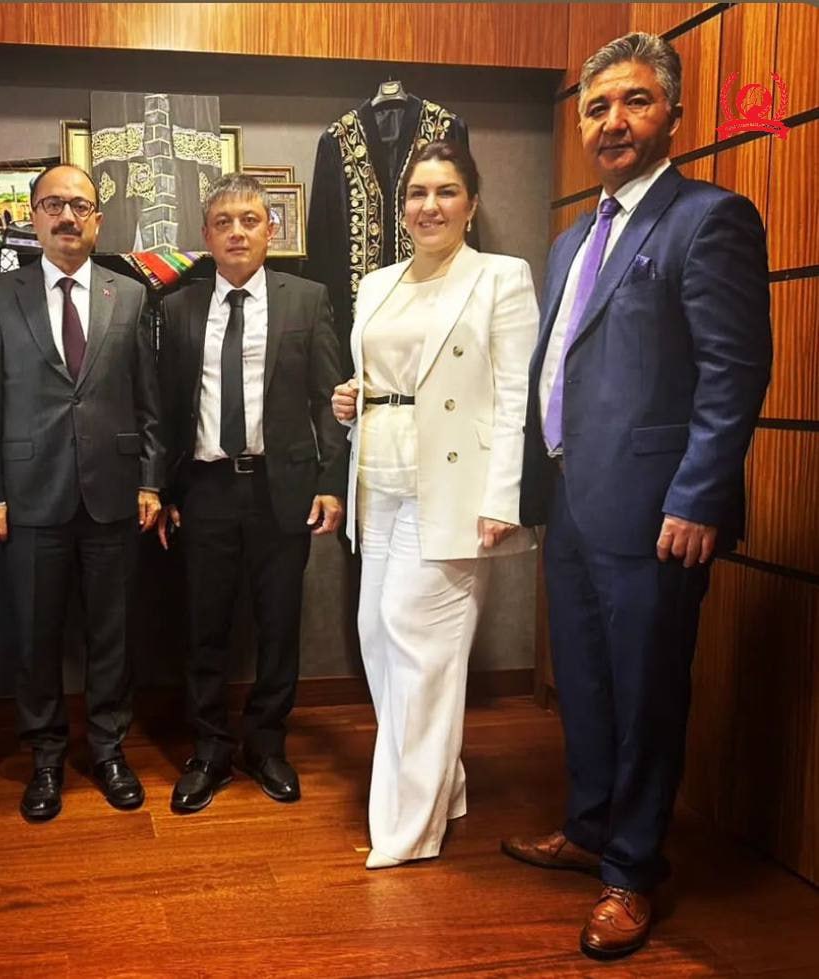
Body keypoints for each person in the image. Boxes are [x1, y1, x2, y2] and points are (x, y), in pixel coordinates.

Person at [501, 33, 771, 959]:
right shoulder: (571, 239)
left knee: (647, 691)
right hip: (573, 498)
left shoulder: (709, 218)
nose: (611, 121)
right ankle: (587, 826)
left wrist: (698, 494)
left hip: (659, 511)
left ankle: (630, 867)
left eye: (633, 101)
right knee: (582, 681)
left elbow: (733, 372)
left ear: (672, 115)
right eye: (595, 107)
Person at [331, 141, 539, 868]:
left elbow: (515, 395)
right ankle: (441, 783)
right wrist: (353, 399)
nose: (429, 206)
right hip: (378, 476)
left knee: (422, 648)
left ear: (471, 204)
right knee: (375, 634)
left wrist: (504, 496)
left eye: (446, 191)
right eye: (417, 193)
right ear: (401, 208)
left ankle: (409, 826)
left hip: (454, 485)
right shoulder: (377, 283)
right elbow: (386, 376)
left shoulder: (499, 277)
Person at [0, 163, 164, 823]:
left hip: (114, 495)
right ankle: (45, 756)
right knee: (35, 637)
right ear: (33, 216)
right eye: (53, 204)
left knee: (113, 635)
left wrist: (150, 479)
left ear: (97, 219)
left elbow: (148, 399)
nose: (67, 217)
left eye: (79, 205)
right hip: (28, 497)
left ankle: (109, 749)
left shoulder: (128, 295)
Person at [156, 173, 347, 813]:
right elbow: (165, 407)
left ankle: (266, 744)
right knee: (203, 626)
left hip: (281, 489)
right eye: (223, 222)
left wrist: (330, 483)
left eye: (250, 220)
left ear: (271, 231)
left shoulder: (307, 300)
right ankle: (209, 749)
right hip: (205, 489)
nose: (237, 232)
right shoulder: (177, 307)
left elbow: (328, 400)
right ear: (206, 236)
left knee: (279, 625)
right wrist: (164, 487)